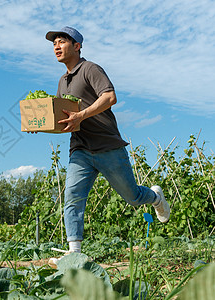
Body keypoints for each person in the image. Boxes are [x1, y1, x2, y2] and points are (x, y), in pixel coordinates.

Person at [45, 26, 170, 266]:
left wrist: (81, 115)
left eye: (61, 42)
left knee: (132, 197)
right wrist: (40, 124)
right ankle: (74, 251)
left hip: (107, 145)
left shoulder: (90, 69)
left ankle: (154, 197)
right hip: (80, 148)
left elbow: (110, 97)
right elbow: (63, 117)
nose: (57, 47)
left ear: (77, 46)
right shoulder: (62, 81)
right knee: (72, 195)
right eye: (54, 44)